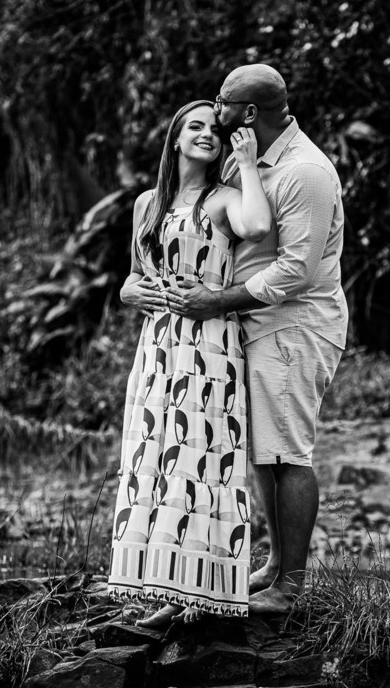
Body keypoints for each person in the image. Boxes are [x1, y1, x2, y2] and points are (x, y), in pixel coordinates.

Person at [163, 65, 348, 615]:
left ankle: (291, 587)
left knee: (289, 451)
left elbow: (296, 272)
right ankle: (272, 566)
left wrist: (217, 301)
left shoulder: (305, 172)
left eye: (221, 102)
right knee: (264, 452)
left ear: (247, 114)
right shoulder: (250, 163)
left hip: (295, 325)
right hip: (255, 325)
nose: (213, 112)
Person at [107, 99, 271, 627]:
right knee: (156, 458)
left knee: (203, 459)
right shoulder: (146, 204)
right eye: (194, 127)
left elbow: (260, 227)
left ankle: (202, 594)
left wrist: (247, 164)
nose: (206, 134)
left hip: (209, 343)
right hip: (158, 345)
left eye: (213, 130)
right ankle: (166, 588)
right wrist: (140, 294)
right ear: (175, 139)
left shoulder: (224, 200)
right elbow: (132, 278)